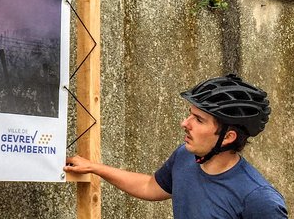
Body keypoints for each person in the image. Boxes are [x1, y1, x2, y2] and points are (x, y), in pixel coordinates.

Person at [64, 73, 288, 218]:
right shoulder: (185, 157)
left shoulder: (259, 199)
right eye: (190, 115)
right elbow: (150, 186)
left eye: (199, 120)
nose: (185, 123)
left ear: (228, 137)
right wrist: (94, 168)